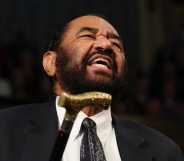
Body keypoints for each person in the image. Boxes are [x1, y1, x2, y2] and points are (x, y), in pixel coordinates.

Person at [0, 14, 183, 161]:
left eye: (116, 44)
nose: (106, 45)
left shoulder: (163, 151)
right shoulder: (6, 130)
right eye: (88, 35)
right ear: (51, 62)